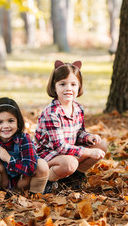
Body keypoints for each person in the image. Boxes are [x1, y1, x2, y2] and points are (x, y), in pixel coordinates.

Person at [34, 60, 107, 193]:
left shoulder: (78, 108)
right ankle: (47, 180)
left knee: (101, 145)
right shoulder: (51, 113)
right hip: (47, 155)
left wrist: (88, 137)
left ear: (79, 87)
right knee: (70, 163)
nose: (68, 88)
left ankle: (72, 178)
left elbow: (78, 133)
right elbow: (60, 147)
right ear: (54, 87)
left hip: (67, 152)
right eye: (62, 84)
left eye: (73, 84)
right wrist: (89, 152)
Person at [0, 97, 49, 194]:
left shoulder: (24, 139)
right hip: (4, 182)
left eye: (10, 121)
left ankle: (36, 195)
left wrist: (8, 158)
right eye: (0, 122)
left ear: (18, 122)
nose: (6, 126)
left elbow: (31, 168)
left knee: (42, 165)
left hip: (22, 183)